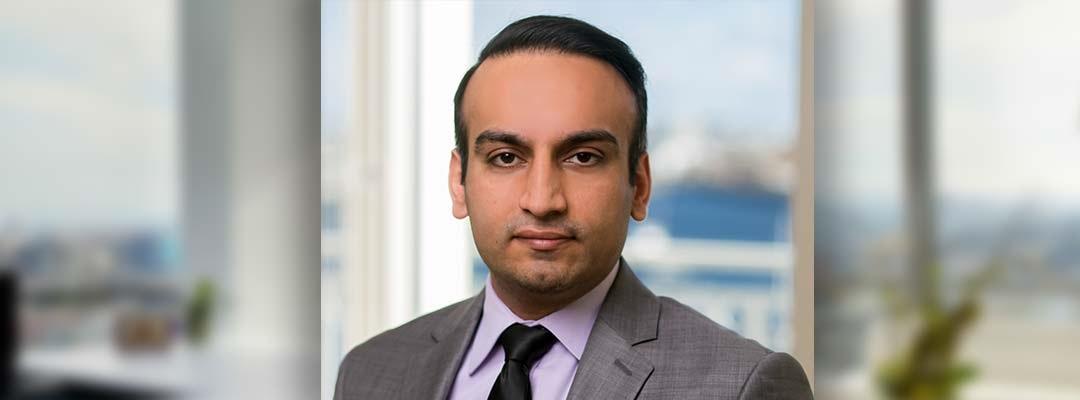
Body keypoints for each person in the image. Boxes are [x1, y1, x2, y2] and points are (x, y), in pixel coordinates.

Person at [334, 15, 812, 400]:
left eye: (583, 157)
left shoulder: (744, 386)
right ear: (459, 184)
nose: (542, 200)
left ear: (640, 185)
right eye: (505, 158)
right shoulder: (371, 372)